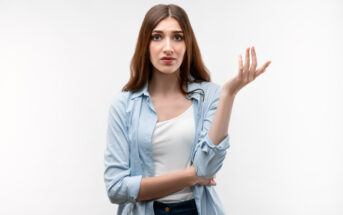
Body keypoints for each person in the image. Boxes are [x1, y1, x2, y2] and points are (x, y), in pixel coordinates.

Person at [104, 3, 271, 215]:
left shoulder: (210, 95)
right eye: (157, 37)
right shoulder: (123, 105)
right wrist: (191, 176)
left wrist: (229, 94)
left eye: (177, 37)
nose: (168, 47)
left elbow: (207, 168)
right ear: (145, 44)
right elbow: (116, 188)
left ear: (187, 44)